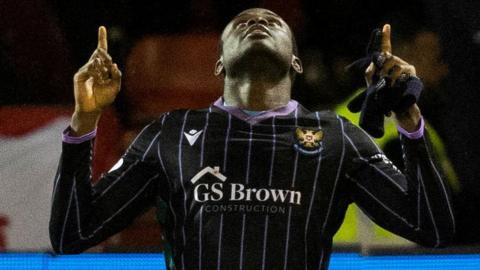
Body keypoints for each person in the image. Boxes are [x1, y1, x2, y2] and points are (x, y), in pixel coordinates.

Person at [49, 8, 455, 270]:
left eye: (273, 22)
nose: (257, 21)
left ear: (296, 61)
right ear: (220, 63)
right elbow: (72, 234)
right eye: (241, 23)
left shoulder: (339, 139)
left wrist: (408, 117)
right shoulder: (168, 134)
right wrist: (85, 121)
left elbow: (432, 228)